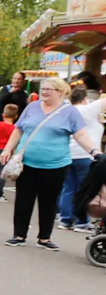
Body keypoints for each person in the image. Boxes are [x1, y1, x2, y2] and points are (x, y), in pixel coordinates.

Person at [0, 78, 102, 250]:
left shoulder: (69, 112)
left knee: (49, 201)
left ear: (60, 92)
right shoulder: (32, 107)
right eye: (43, 88)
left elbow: (81, 135)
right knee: (24, 199)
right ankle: (19, 235)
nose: (44, 92)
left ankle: (44, 238)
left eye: (49, 89)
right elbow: (18, 129)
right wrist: (7, 149)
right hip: (27, 162)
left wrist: (95, 152)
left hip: (55, 164)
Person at [58, 87, 105, 231]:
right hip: (87, 154)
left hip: (68, 154)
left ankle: (65, 219)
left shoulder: (67, 111)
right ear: (85, 98)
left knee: (68, 188)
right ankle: (82, 220)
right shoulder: (89, 109)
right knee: (85, 189)